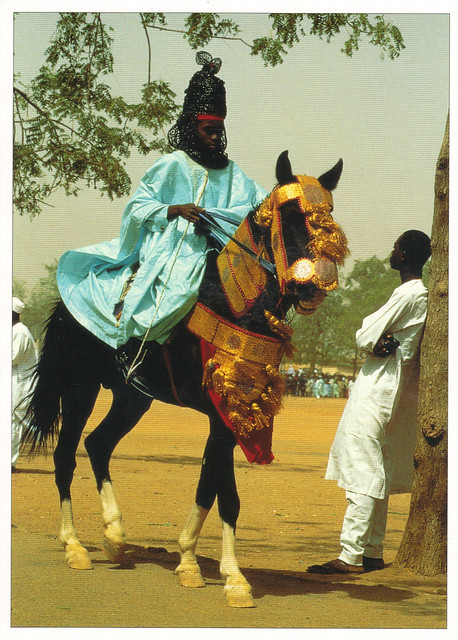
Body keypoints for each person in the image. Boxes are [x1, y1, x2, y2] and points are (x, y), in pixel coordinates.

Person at [57, 52, 267, 350]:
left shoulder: (233, 171)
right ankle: (135, 351)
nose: (215, 138)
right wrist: (174, 209)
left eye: (219, 132)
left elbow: (261, 203)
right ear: (192, 129)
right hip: (175, 248)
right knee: (180, 293)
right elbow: (137, 207)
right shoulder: (173, 163)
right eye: (208, 131)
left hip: (223, 249)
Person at [308, 230, 431, 574]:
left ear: (405, 255)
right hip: (394, 392)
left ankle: (349, 555)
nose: (391, 252)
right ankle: (373, 551)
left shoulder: (410, 294)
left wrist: (371, 340)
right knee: (379, 470)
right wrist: (374, 341)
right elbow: (372, 338)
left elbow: (365, 332)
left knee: (364, 468)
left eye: (395, 248)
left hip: (379, 389)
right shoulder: (418, 295)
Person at [12, 297, 38, 471]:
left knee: (14, 420)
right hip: (15, 382)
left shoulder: (20, 332)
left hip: (22, 384)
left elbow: (12, 358)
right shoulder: (14, 330)